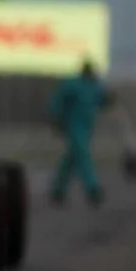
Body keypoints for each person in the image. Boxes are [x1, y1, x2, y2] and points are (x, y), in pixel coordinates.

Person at [49, 59, 108, 207]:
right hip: (74, 126)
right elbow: (57, 102)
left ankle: (58, 189)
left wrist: (109, 98)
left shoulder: (93, 86)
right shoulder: (72, 85)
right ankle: (92, 188)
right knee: (83, 156)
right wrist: (55, 119)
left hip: (87, 127)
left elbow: (102, 100)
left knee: (71, 159)